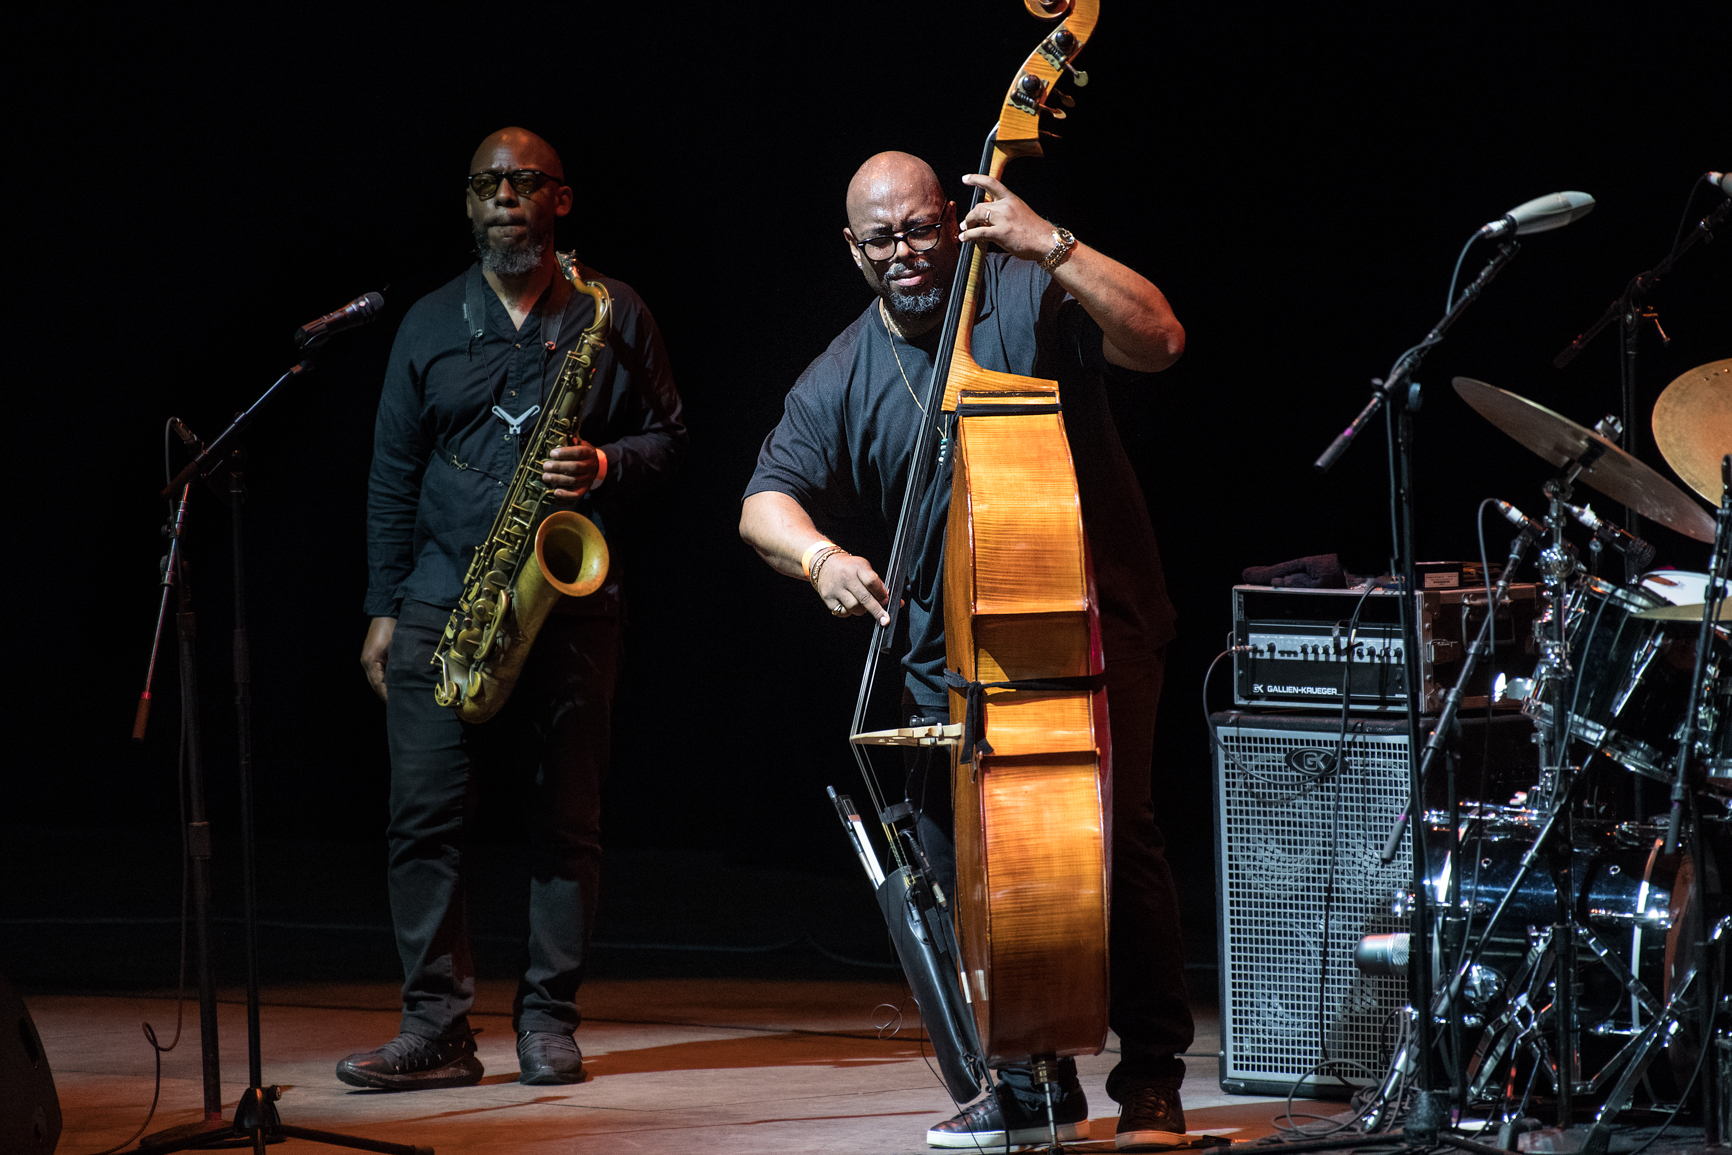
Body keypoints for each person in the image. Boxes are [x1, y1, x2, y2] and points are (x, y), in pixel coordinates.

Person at [740, 152, 1190, 1151]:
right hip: (951, 667)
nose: (906, 251)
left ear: (954, 217)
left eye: (920, 227)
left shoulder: (1025, 291)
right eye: (881, 238)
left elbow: (1158, 338)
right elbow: (762, 504)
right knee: (974, 877)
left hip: (1092, 624)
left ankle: (1153, 1079)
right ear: (853, 252)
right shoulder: (844, 369)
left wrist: (1047, 239)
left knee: (1116, 849)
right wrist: (818, 559)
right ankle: (1030, 1082)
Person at [342, 126, 686, 1090]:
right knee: (422, 822)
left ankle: (548, 1019)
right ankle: (437, 1030)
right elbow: (390, 475)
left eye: (526, 181)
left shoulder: (610, 312)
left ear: (560, 202)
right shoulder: (425, 323)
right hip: (441, 601)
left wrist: (611, 464)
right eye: (488, 183)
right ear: (467, 203)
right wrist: (382, 607)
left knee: (565, 820)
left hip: (567, 610)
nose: (506, 195)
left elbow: (672, 436)